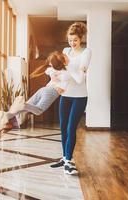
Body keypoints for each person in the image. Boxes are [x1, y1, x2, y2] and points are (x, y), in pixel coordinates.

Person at [50, 22, 91, 175]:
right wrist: (55, 79)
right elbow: (61, 72)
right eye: (69, 40)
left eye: (75, 40)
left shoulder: (86, 52)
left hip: (79, 97)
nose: (72, 43)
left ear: (81, 38)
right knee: (62, 128)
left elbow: (80, 79)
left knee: (71, 128)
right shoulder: (66, 50)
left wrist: (67, 66)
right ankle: (65, 158)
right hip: (65, 95)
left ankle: (68, 161)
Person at [0, 51, 73, 130]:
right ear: (63, 62)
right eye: (65, 56)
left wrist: (54, 73)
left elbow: (49, 70)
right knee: (39, 110)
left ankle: (5, 115)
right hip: (52, 92)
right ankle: (22, 105)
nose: (67, 56)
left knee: (24, 109)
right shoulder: (66, 73)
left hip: (43, 89)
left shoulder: (53, 70)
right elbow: (66, 78)